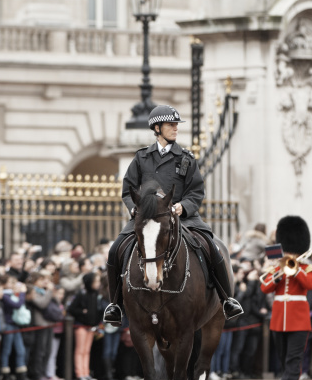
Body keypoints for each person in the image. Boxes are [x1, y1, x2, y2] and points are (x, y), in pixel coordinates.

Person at [103, 105, 243, 326]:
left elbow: (196, 191)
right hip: (147, 218)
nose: (176, 129)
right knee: (114, 251)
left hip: (182, 218)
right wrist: (134, 208)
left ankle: (227, 300)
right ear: (157, 128)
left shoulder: (186, 157)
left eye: (176, 125)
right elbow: (127, 188)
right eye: (171, 125)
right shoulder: (141, 157)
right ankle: (115, 305)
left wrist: (183, 206)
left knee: (212, 247)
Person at [260, 215, 312, 380]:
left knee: (294, 356)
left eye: (292, 251)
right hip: (279, 318)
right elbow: (265, 288)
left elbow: (310, 283)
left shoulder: (308, 267)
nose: (290, 254)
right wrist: (278, 274)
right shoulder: (277, 267)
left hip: (299, 319)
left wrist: (295, 269)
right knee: (284, 356)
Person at [68, 271, 102, 380]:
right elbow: (71, 309)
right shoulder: (81, 294)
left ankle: (86, 373)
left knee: (87, 351)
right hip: (81, 326)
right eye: (95, 281)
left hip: (91, 326)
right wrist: (83, 312)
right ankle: (80, 373)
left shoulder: (96, 294)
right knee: (80, 350)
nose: (98, 284)